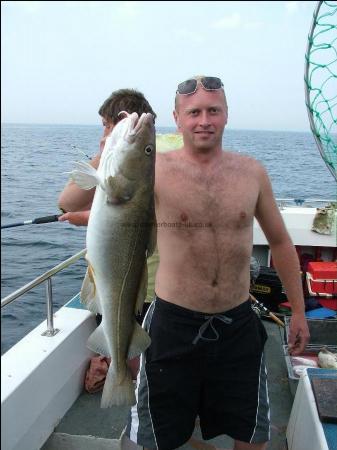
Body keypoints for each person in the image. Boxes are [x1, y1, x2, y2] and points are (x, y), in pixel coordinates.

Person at [121, 76, 310, 450]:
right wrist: (109, 150)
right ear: (177, 118)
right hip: (171, 325)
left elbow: (281, 243)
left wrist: (300, 313)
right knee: (158, 436)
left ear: (226, 116)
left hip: (237, 325)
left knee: (252, 434)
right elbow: (82, 197)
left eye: (213, 111)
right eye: (193, 113)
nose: (203, 120)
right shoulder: (152, 168)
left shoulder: (251, 172)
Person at [58, 88, 158, 382]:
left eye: (106, 125)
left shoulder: (149, 160)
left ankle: (139, 407)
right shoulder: (116, 164)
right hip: (110, 280)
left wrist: (113, 153)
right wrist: (104, 154)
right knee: (131, 360)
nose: (103, 131)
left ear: (122, 123)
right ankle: (128, 395)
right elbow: (67, 203)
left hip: (147, 288)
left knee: (147, 369)